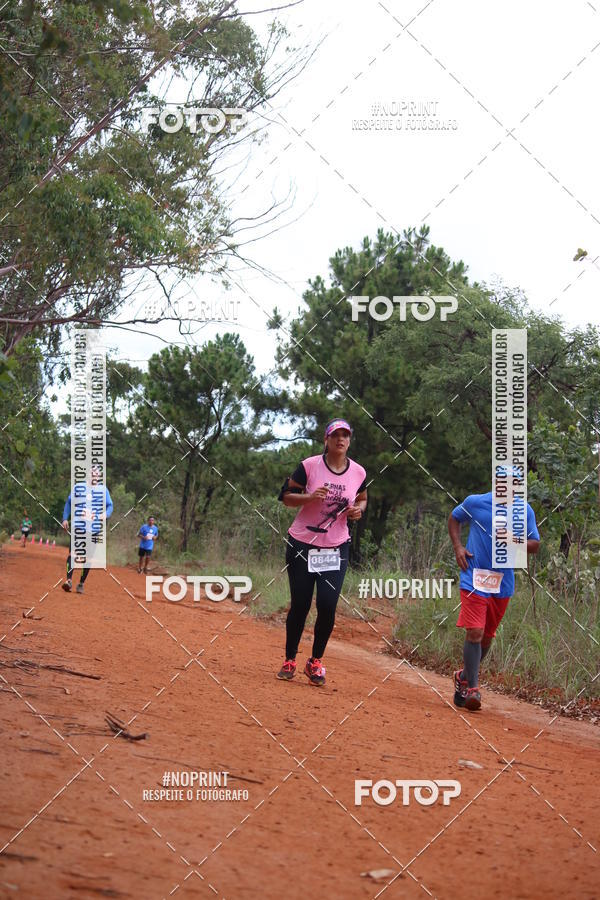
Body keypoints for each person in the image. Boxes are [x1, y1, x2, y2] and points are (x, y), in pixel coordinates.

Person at [276, 418, 367, 686]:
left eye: (345, 435)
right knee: (301, 604)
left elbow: (362, 497)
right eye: (335, 435)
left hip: (335, 548)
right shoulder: (309, 466)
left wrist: (359, 510)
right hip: (302, 544)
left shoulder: (358, 472)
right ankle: (290, 659)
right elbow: (286, 497)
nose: (341, 439)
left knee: (327, 605)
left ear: (349, 440)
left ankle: (315, 662)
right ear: (326, 440)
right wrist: (309, 497)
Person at [448, 482, 540, 711]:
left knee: (487, 638)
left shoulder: (524, 510)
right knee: (475, 631)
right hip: (473, 575)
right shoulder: (476, 502)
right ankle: (473, 689)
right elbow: (454, 518)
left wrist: (513, 539)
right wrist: (458, 547)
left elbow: (535, 544)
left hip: (502, 583)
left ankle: (463, 676)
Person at [61, 466, 113, 594]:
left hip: (94, 529)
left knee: (88, 558)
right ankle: (69, 581)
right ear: (88, 474)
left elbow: (110, 505)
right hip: (78, 526)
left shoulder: (103, 490)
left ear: (99, 476)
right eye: (92, 473)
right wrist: (65, 519)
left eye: (96, 474)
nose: (94, 475)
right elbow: (69, 502)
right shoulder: (79, 487)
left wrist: (105, 514)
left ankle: (81, 584)